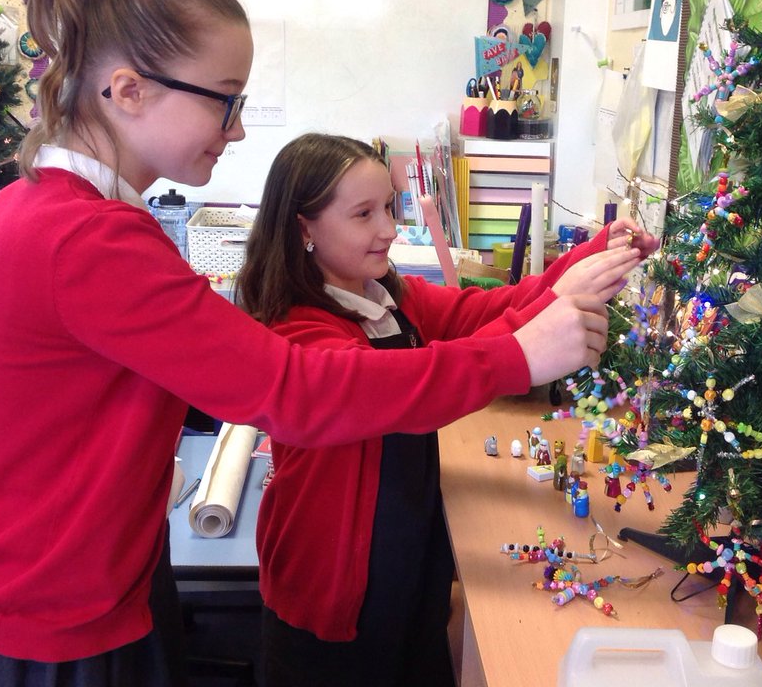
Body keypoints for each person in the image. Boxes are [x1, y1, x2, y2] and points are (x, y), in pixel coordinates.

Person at [0, 0, 611, 687]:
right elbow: (295, 390)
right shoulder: (86, 238)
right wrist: (521, 357)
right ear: (130, 90)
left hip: (68, 599)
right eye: (225, 103)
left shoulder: (37, 206)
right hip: (39, 632)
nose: (236, 131)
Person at [233, 132, 658, 687]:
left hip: (407, 571)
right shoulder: (299, 331)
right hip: (332, 597)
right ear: (304, 227)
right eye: (364, 214)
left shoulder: (387, 297)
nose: (387, 228)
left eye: (389, 206)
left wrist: (586, 259)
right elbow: (405, 385)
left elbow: (482, 311)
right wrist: (522, 352)